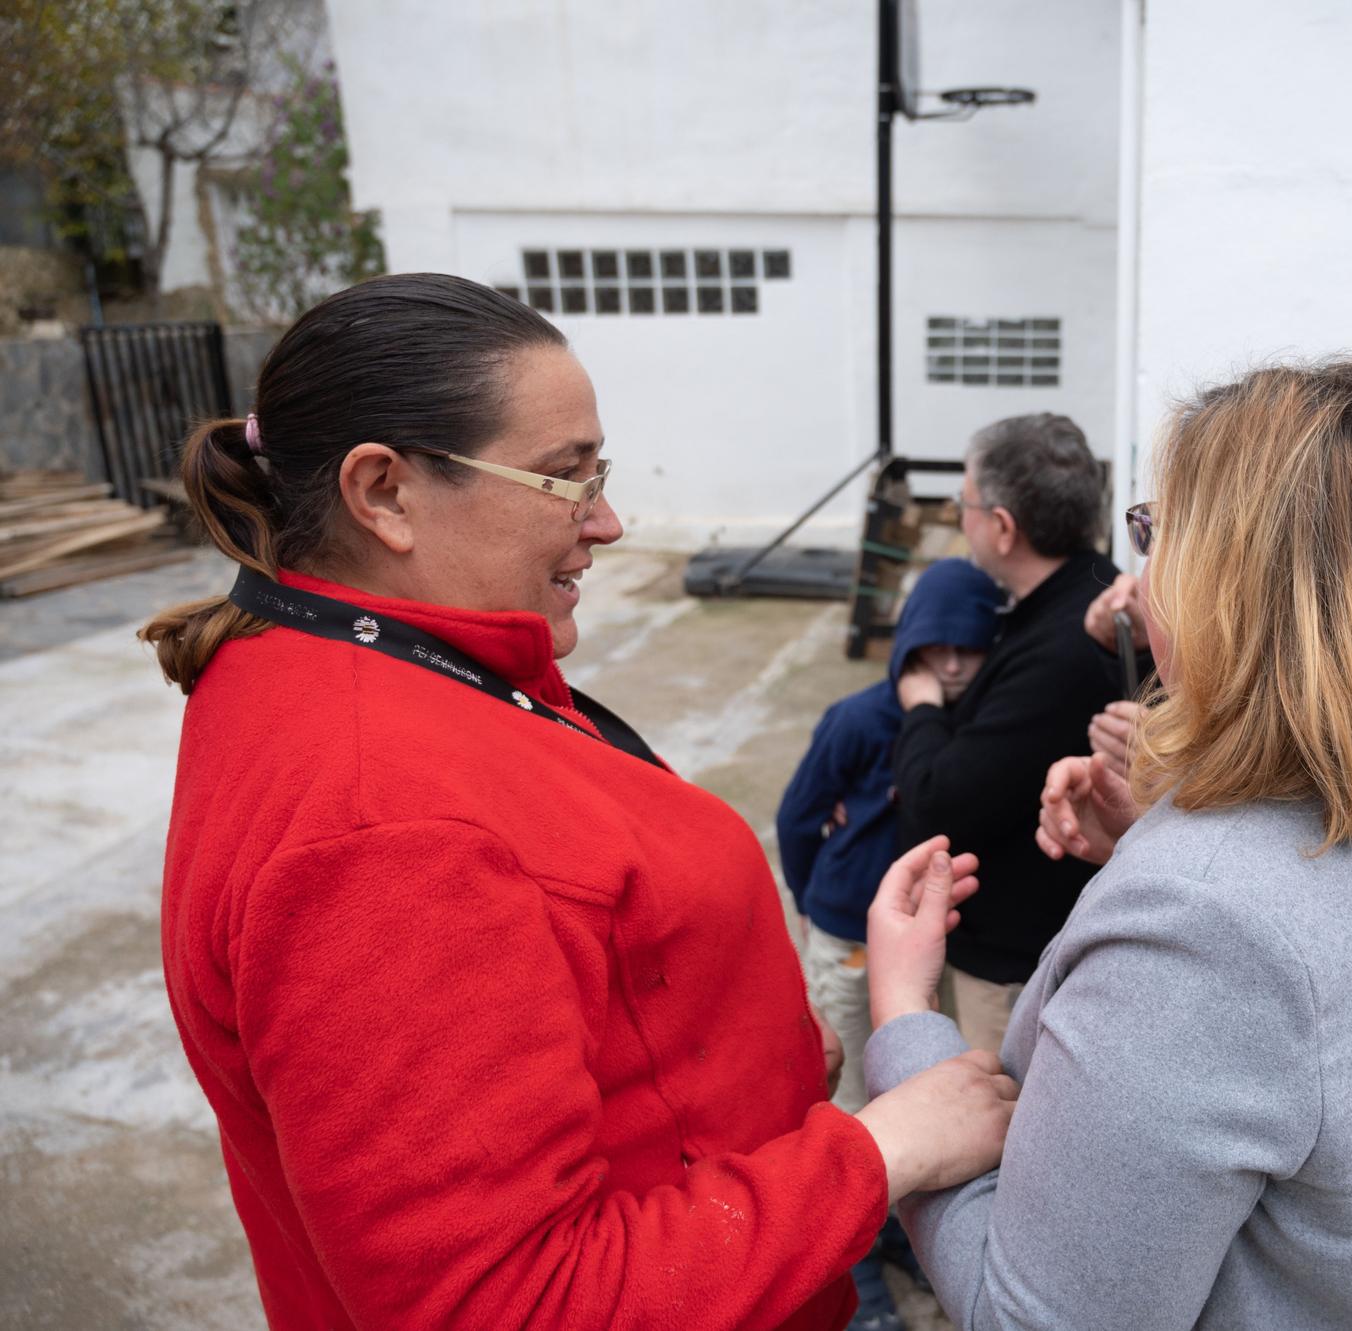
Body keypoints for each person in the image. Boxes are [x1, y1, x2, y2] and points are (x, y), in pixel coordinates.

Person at [142, 273, 1016, 1331]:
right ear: (383, 493)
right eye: (564, 479)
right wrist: (884, 1148)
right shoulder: (380, 826)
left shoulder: (349, 670)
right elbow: (511, 1302)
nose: (604, 520)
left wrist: (745, 1049)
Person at [864, 359, 1352, 1329]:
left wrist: (902, 1018)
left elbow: (1033, 1317)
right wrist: (1159, 834)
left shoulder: (1203, 927)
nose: (1137, 584)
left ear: (1239, 584)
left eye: (1154, 534)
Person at [775, 557, 1002, 1331]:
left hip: (921, 949)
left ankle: (890, 1226)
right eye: (932, 646)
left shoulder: (969, 728)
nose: (947, 663)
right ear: (904, 645)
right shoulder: (856, 720)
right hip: (848, 934)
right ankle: (852, 1257)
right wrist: (815, 903)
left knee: (906, 1080)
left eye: (967, 647)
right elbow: (799, 816)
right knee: (846, 1104)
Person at [891, 414, 1136, 1054]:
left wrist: (920, 707)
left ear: (1001, 527)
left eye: (962, 504)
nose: (959, 517)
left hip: (1013, 967)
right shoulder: (1088, 600)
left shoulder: (1067, 648)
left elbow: (938, 801)